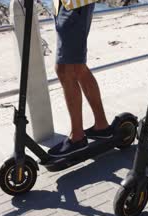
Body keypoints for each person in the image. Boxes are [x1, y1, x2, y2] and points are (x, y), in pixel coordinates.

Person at [48, 0, 112, 157]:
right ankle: (101, 126)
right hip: (66, 5)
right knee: (77, 67)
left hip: (75, 5)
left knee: (64, 69)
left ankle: (77, 137)